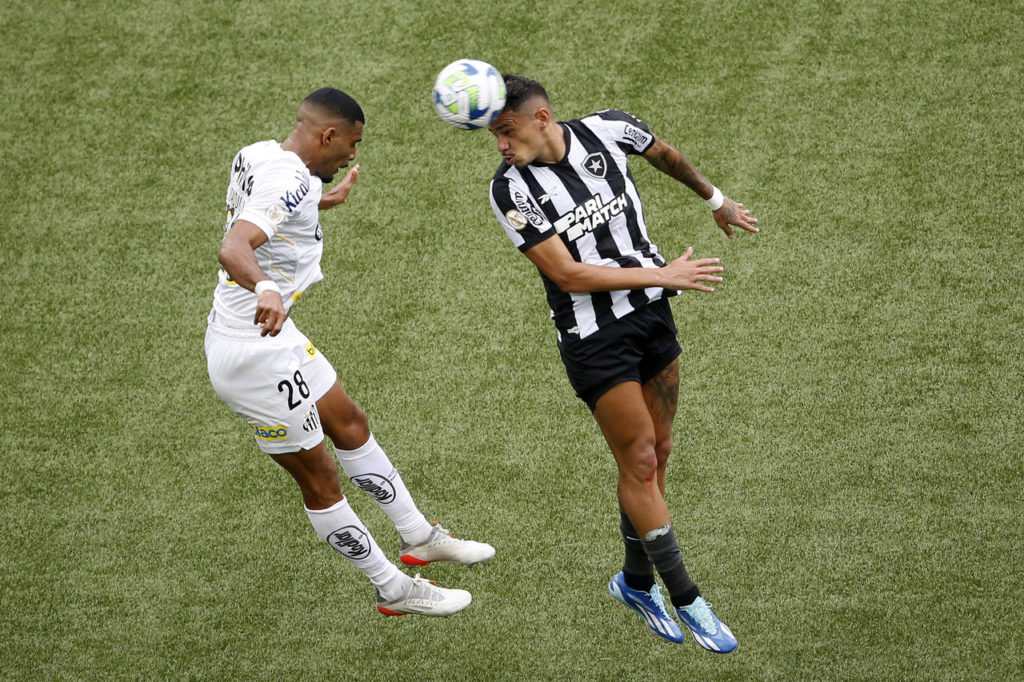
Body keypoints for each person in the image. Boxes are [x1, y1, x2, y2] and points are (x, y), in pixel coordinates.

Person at [486, 75, 758, 651]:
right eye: (494, 136)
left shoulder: (609, 129)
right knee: (637, 459)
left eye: (507, 132)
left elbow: (666, 155)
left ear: (542, 117)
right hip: (593, 339)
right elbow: (566, 273)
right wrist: (663, 273)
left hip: (652, 316)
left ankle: (634, 583)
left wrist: (715, 200)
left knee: (657, 454)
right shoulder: (510, 190)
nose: (502, 146)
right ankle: (686, 597)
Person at [205, 87, 494, 617]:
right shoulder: (288, 177)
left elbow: (268, 205)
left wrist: (320, 201)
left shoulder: (258, 154)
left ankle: (420, 536)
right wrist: (267, 288)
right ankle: (394, 589)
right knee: (321, 478)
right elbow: (233, 246)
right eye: (352, 145)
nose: (353, 156)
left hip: (276, 339)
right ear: (328, 135)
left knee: (350, 423)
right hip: (252, 356)